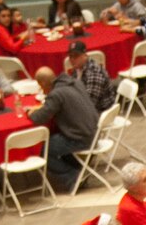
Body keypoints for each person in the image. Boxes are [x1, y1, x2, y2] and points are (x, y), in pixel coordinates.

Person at [30, 61, 100, 191]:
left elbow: (39, 118)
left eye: (40, 86)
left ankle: (72, 178)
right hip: (94, 131)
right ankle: (78, 169)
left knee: (43, 149)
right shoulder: (74, 82)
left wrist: (31, 113)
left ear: (44, 83)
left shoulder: (56, 94)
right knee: (55, 141)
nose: (42, 90)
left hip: (80, 137)